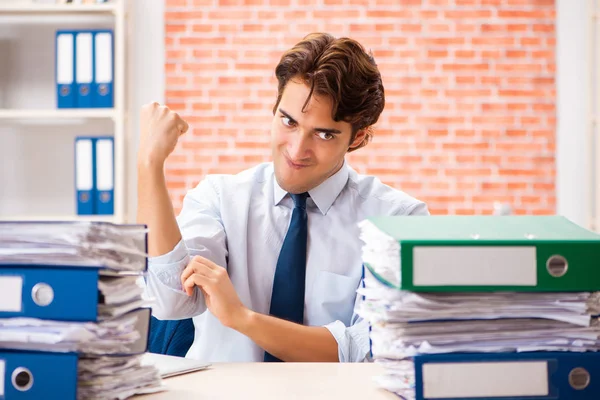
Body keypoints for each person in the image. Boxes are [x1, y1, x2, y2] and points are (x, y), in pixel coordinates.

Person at [137, 32, 429, 363]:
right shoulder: (220, 198)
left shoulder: (397, 220)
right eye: (288, 121)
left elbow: (371, 349)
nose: (296, 150)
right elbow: (168, 301)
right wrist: (150, 165)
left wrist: (243, 319)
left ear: (357, 137)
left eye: (323, 134)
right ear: (274, 108)